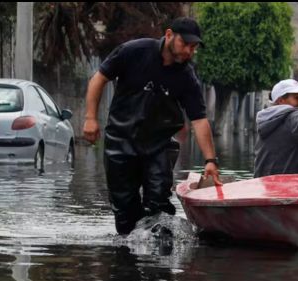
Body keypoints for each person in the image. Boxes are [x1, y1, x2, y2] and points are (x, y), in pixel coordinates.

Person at [83, 17, 222, 235]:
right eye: (185, 44)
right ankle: (127, 260)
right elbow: (98, 79)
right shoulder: (134, 51)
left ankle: (158, 262)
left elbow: (199, 119)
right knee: (124, 210)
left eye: (194, 47)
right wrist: (90, 118)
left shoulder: (186, 76)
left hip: (159, 145)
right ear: (168, 35)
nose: (189, 51)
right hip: (120, 141)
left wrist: (210, 160)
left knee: (159, 206)